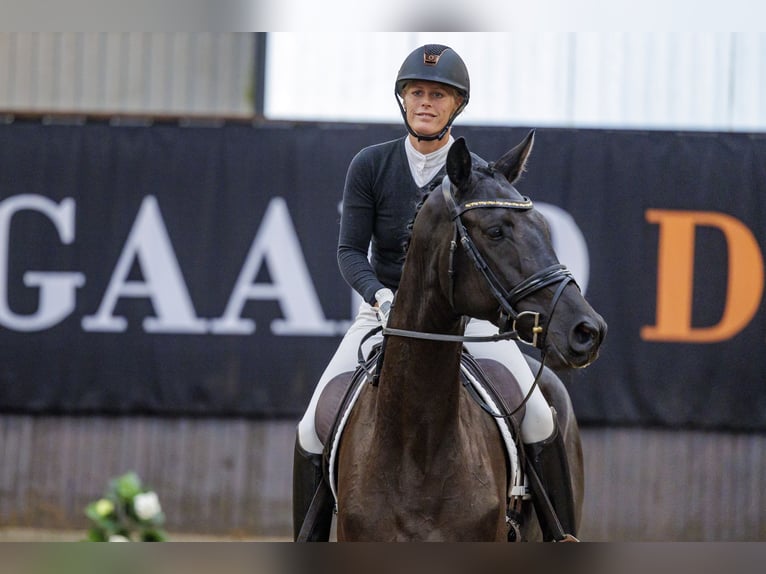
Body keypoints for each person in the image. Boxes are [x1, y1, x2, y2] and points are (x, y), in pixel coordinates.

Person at [293, 44, 577, 542]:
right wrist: (380, 296)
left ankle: (561, 538)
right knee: (310, 427)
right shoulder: (371, 165)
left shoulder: (479, 176)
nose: (426, 102)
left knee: (538, 415)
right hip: (384, 313)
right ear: (403, 99)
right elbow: (349, 253)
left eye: (438, 95)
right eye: (417, 92)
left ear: (457, 106)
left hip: (470, 319)